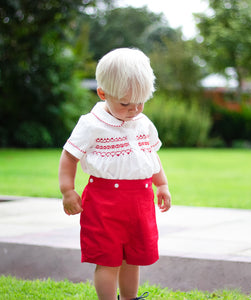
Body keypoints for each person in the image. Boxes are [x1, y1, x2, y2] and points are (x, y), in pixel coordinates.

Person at [58, 48, 171, 300]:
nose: (134, 109)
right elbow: (69, 156)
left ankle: (130, 298)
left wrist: (161, 185)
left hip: (139, 201)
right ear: (103, 93)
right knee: (108, 260)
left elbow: (151, 156)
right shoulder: (91, 124)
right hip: (104, 202)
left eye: (140, 102)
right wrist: (67, 190)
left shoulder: (143, 123)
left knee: (133, 257)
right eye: (125, 103)